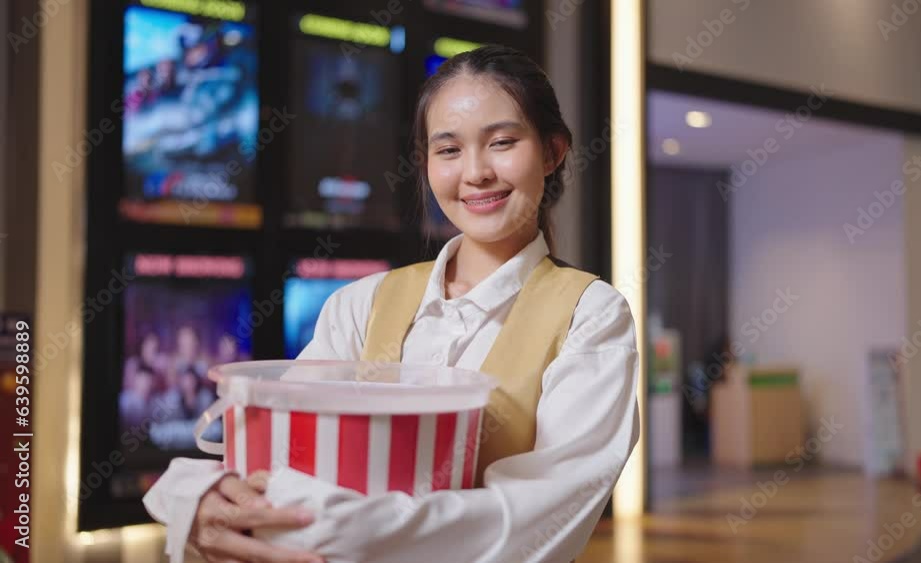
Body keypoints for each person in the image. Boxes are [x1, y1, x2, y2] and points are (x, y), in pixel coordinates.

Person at [144, 45, 639, 563]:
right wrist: (197, 497)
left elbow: (535, 518)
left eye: (502, 142)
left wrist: (331, 525)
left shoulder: (591, 317)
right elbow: (277, 451)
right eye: (448, 150)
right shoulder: (361, 303)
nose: (475, 172)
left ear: (553, 151)